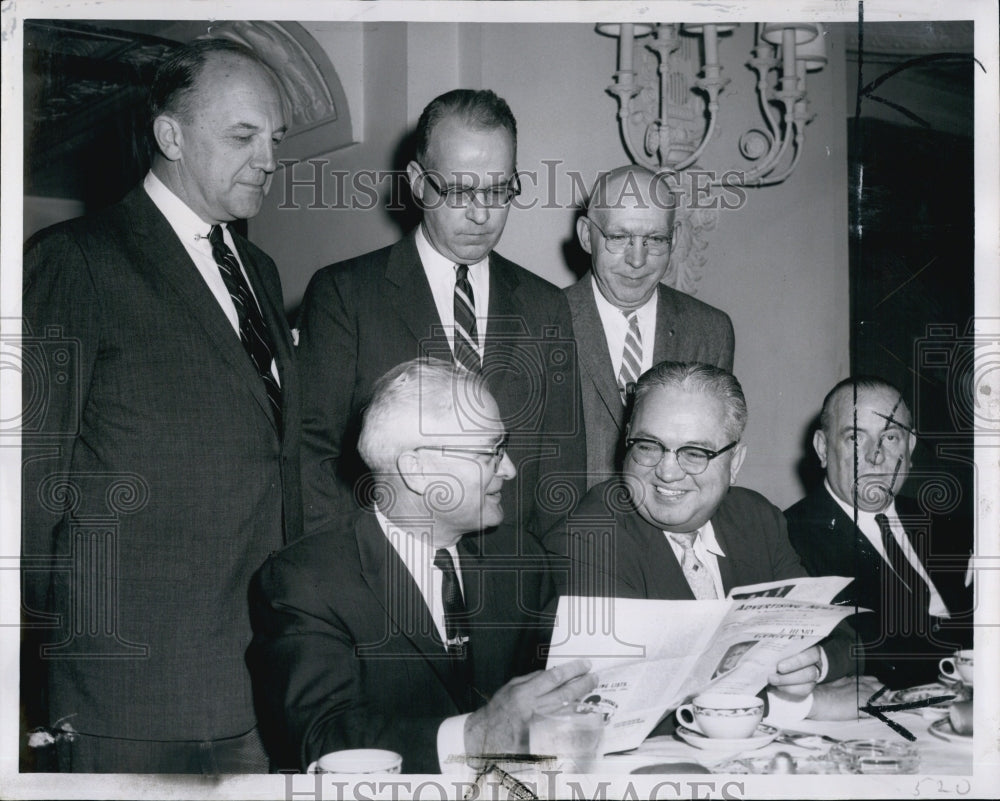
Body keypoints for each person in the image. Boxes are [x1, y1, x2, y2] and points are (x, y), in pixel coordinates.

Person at [20, 39, 301, 773]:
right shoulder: (75, 259)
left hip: (260, 677)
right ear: (170, 135)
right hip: (131, 687)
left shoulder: (261, 269)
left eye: (274, 138)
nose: (267, 157)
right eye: (243, 136)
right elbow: (25, 485)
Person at [247, 359, 594, 773]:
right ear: (417, 470)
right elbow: (322, 740)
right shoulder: (305, 582)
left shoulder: (521, 556)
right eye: (491, 452)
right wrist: (474, 736)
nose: (509, 468)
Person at [296, 88, 584, 536]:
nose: (480, 213)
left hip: (510, 583)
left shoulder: (546, 306)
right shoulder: (344, 295)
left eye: (498, 190)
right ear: (416, 181)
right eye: (458, 190)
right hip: (384, 580)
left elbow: (562, 470)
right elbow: (314, 458)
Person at [544, 361, 855, 712]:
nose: (667, 471)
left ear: (735, 463)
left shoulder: (755, 518)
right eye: (648, 445)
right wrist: (800, 706)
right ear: (627, 440)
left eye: (695, 453)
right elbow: (616, 704)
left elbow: (835, 632)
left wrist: (815, 663)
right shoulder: (591, 533)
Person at [784, 377, 974, 688]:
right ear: (822, 448)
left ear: (909, 448)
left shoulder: (951, 525)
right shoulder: (789, 537)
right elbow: (869, 650)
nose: (876, 455)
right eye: (855, 438)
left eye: (890, 437)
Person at [566, 165, 734, 487]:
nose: (638, 260)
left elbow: (710, 467)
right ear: (587, 236)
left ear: (676, 238)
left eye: (655, 239)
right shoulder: (544, 319)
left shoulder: (710, 332)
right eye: (619, 237)